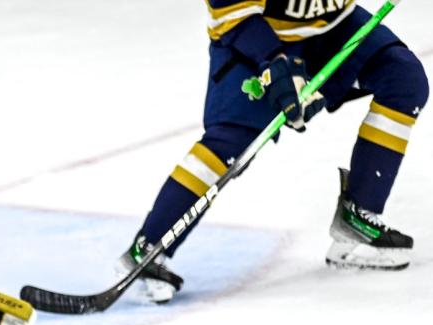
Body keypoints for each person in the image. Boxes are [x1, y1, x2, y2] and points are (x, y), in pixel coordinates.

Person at [123, 1, 428, 302]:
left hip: (333, 25)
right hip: (256, 35)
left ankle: (359, 215)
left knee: (402, 79)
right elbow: (231, 10)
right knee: (230, 141)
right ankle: (151, 245)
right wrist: (275, 62)